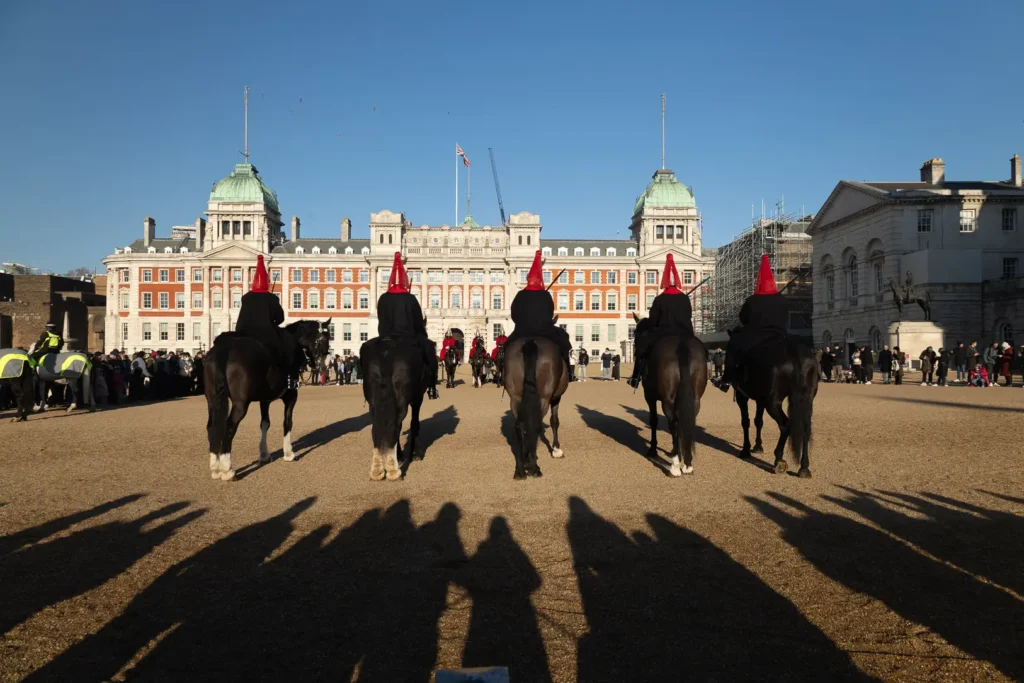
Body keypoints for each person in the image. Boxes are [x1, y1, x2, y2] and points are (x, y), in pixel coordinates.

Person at [718, 254, 788, 393]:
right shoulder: (782, 299)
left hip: (755, 335)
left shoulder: (752, 300)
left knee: (733, 346)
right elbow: (784, 317)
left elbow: (743, 318)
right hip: (780, 334)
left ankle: (726, 380)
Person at [375, 251, 439, 399]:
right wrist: (421, 335)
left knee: (366, 349)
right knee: (430, 354)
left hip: (385, 337)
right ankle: (431, 386)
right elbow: (418, 322)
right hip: (408, 337)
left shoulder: (383, 298)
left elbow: (381, 320)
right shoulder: (410, 299)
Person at [234, 255, 301, 389]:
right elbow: (280, 319)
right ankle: (289, 380)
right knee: (285, 349)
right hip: (265, 333)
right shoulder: (271, 298)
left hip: (242, 332)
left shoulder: (246, 297)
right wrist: (272, 321)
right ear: (267, 283)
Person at [628, 253, 694, 388]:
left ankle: (636, 377)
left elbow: (653, 320)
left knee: (641, 349)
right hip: (684, 332)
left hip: (663, 333)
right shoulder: (684, 298)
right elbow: (689, 316)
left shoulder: (659, 299)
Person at [505, 250, 572, 368]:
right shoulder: (545, 295)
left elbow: (514, 314)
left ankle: (503, 373)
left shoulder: (520, 294)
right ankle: (568, 369)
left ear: (528, 280)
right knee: (564, 340)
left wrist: (521, 322)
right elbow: (550, 313)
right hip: (544, 330)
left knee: (505, 347)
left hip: (522, 330)